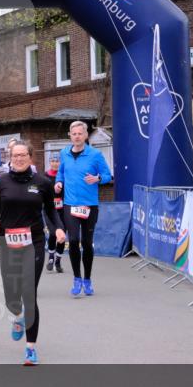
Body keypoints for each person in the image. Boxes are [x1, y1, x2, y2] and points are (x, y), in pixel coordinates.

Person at [0, 141, 64, 365]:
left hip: (34, 242)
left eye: (22, 155)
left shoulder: (43, 183)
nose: (18, 158)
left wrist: (58, 227)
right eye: (14, 155)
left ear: (30, 157)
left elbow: (50, 211)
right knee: (12, 297)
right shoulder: (1, 182)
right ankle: (18, 315)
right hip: (8, 242)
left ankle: (30, 348)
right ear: (10, 157)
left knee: (29, 293)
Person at [54, 121, 112, 297]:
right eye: (74, 134)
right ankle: (76, 278)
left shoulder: (95, 155)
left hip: (89, 205)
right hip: (70, 204)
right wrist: (58, 182)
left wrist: (98, 178)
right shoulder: (64, 153)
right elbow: (61, 172)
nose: (77, 136)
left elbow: (108, 176)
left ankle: (87, 279)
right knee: (72, 240)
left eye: (80, 133)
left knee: (86, 243)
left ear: (86, 136)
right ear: (70, 136)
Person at [45, 152, 66, 273]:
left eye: (57, 161)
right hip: (49, 209)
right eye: (52, 161)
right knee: (53, 233)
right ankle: (51, 257)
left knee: (62, 235)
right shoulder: (45, 176)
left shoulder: (63, 176)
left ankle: (58, 261)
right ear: (50, 162)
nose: (55, 163)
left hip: (63, 209)